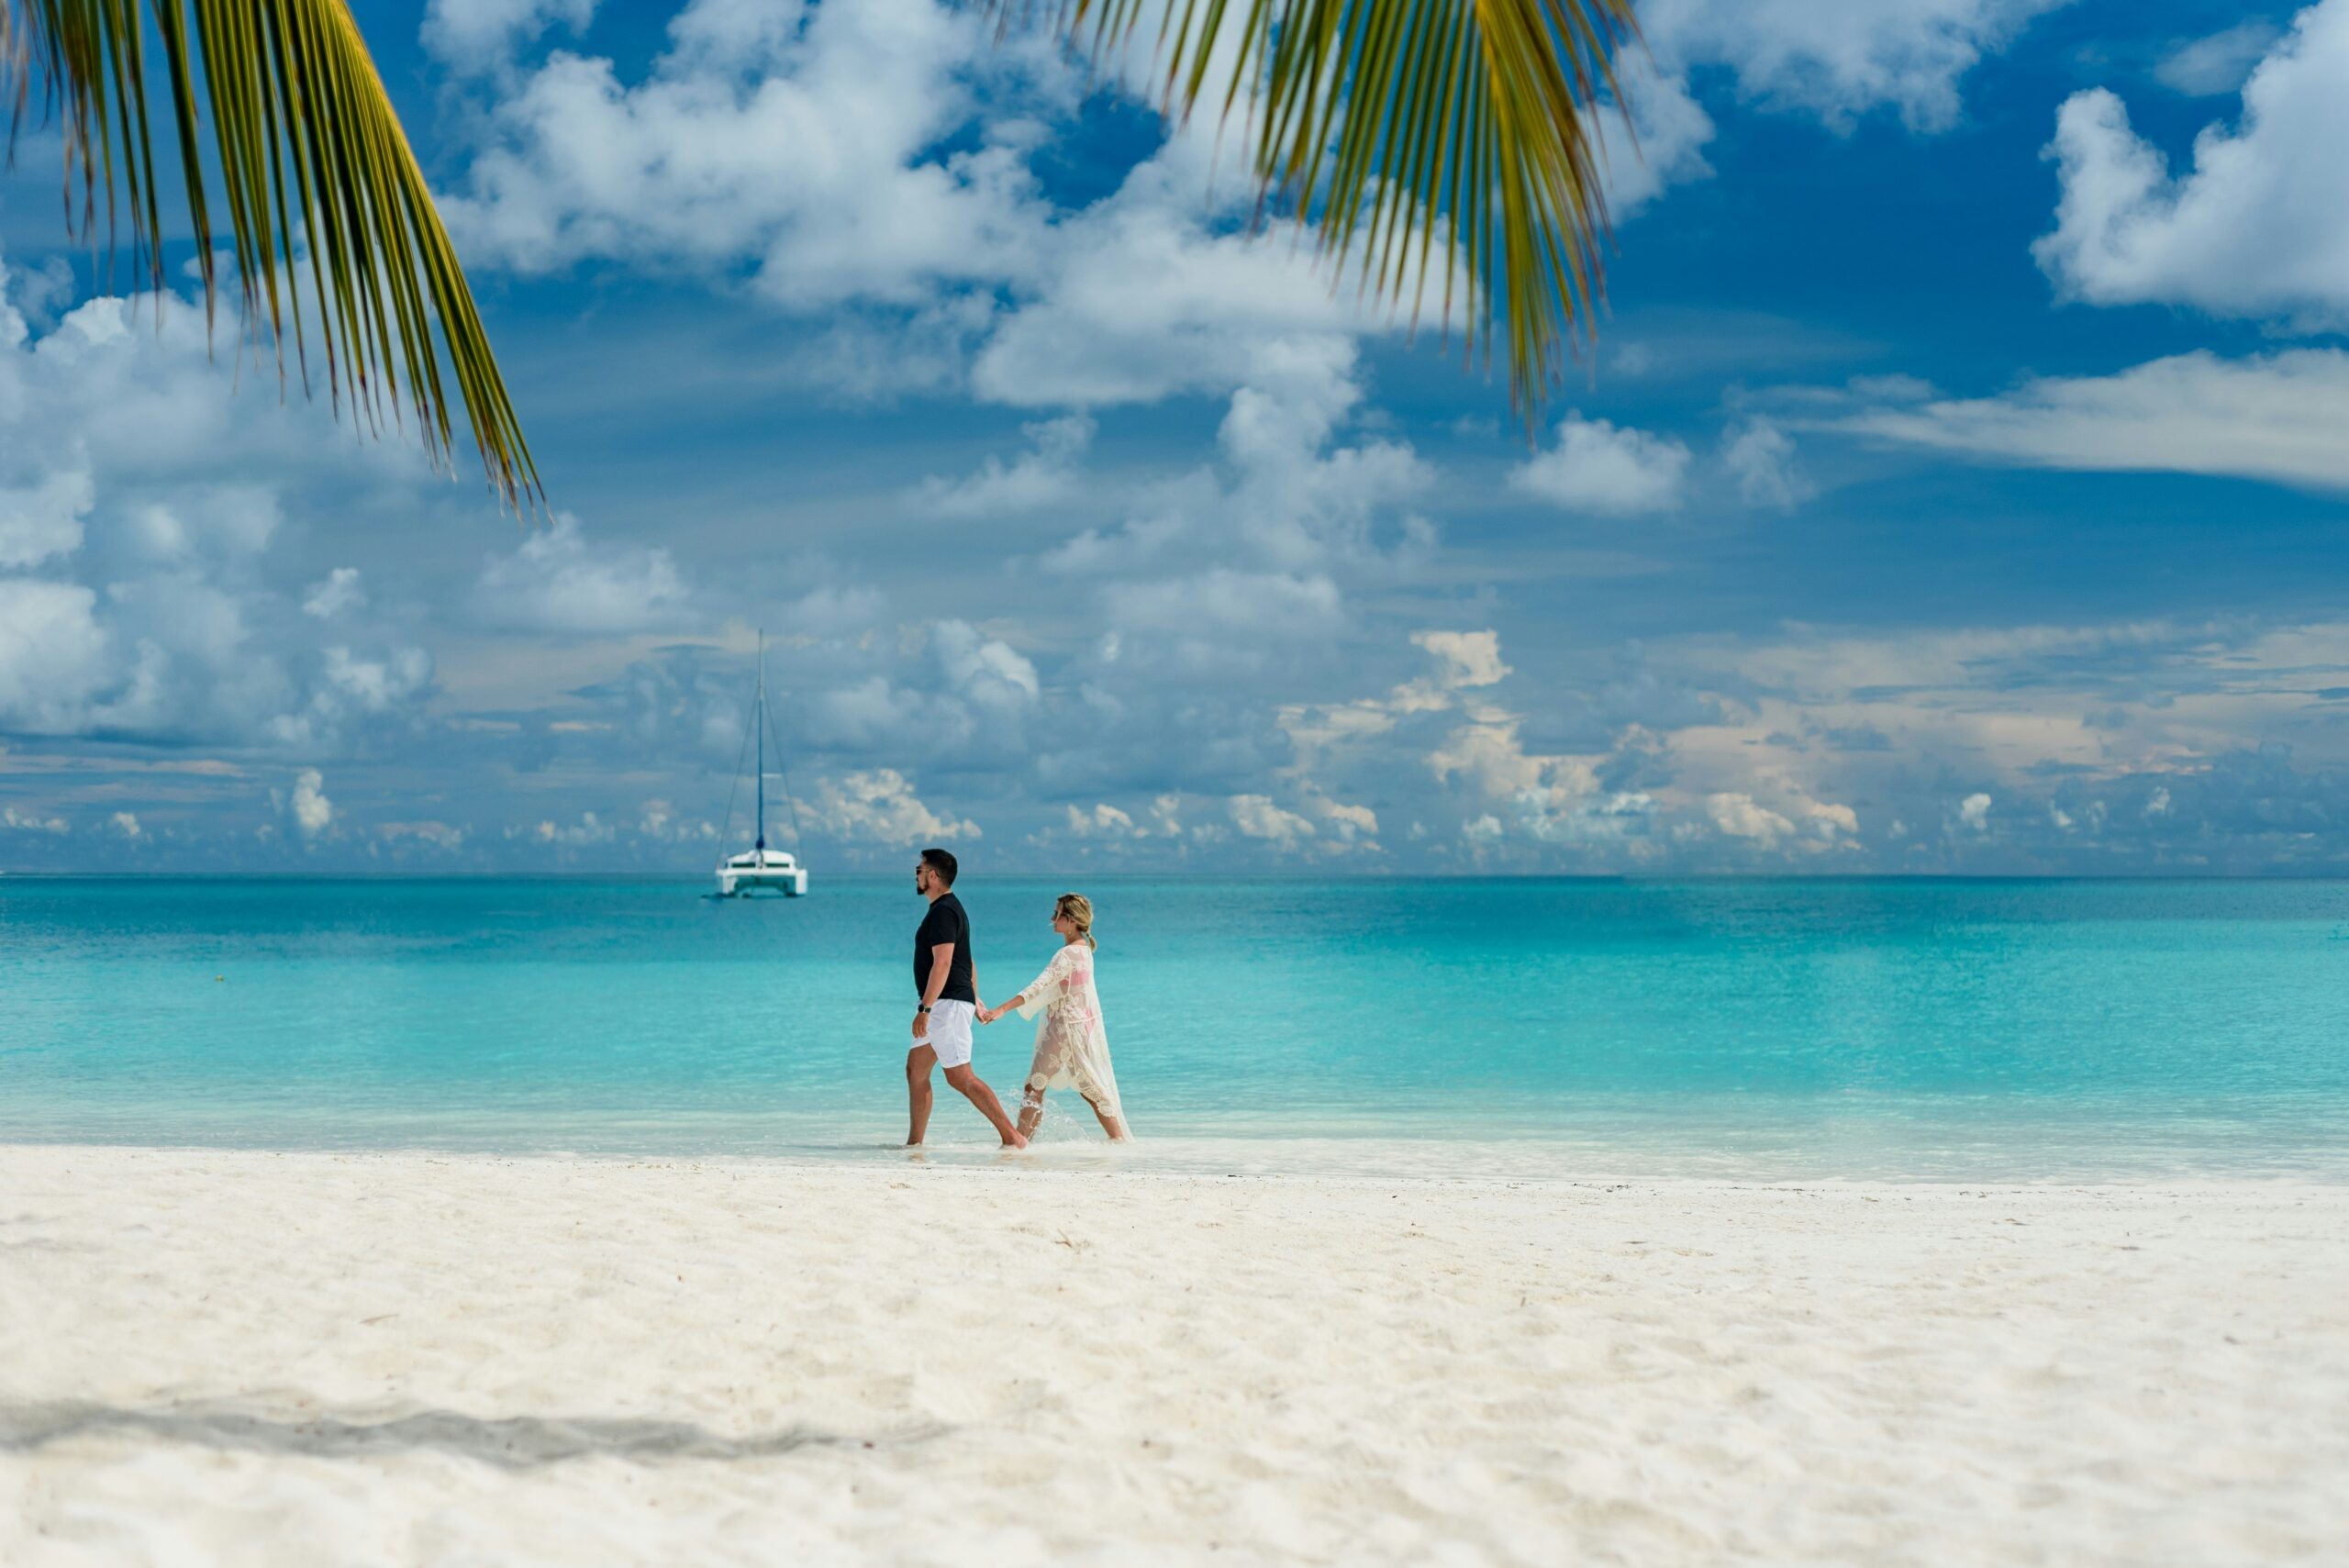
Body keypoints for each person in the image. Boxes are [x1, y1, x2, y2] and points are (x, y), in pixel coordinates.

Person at [978, 893, 1129, 1143]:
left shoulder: (1068, 954)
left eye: (1057, 914)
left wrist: (1001, 1010)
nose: (1052, 918)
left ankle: (1020, 1142)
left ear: (1070, 921)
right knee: (1089, 1089)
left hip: (1064, 1029)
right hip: (1080, 1028)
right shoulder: (1084, 950)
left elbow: (1038, 987)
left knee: (1035, 1086)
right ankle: (1118, 1139)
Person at [906, 848, 1026, 1149]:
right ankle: (914, 1145)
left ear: (932, 876)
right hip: (948, 1002)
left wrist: (925, 1008)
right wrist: (976, 998)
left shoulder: (945, 911)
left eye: (919, 870)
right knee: (916, 1070)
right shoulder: (945, 909)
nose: (916, 874)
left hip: (944, 1005)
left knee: (960, 1077)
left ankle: (1013, 1139)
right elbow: (967, 961)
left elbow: (944, 963)